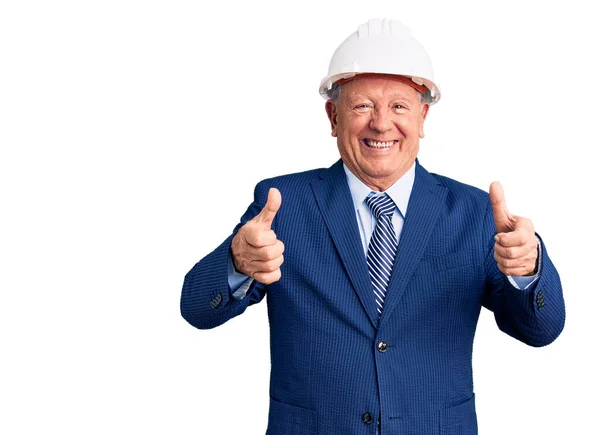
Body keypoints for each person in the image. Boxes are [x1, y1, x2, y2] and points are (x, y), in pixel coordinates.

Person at [180, 18, 565, 435]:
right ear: (333, 116)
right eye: (362, 106)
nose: (381, 124)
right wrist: (238, 260)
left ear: (422, 118)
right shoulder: (283, 206)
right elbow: (196, 309)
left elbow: (542, 331)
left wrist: (528, 270)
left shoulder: (474, 214)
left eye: (399, 106)